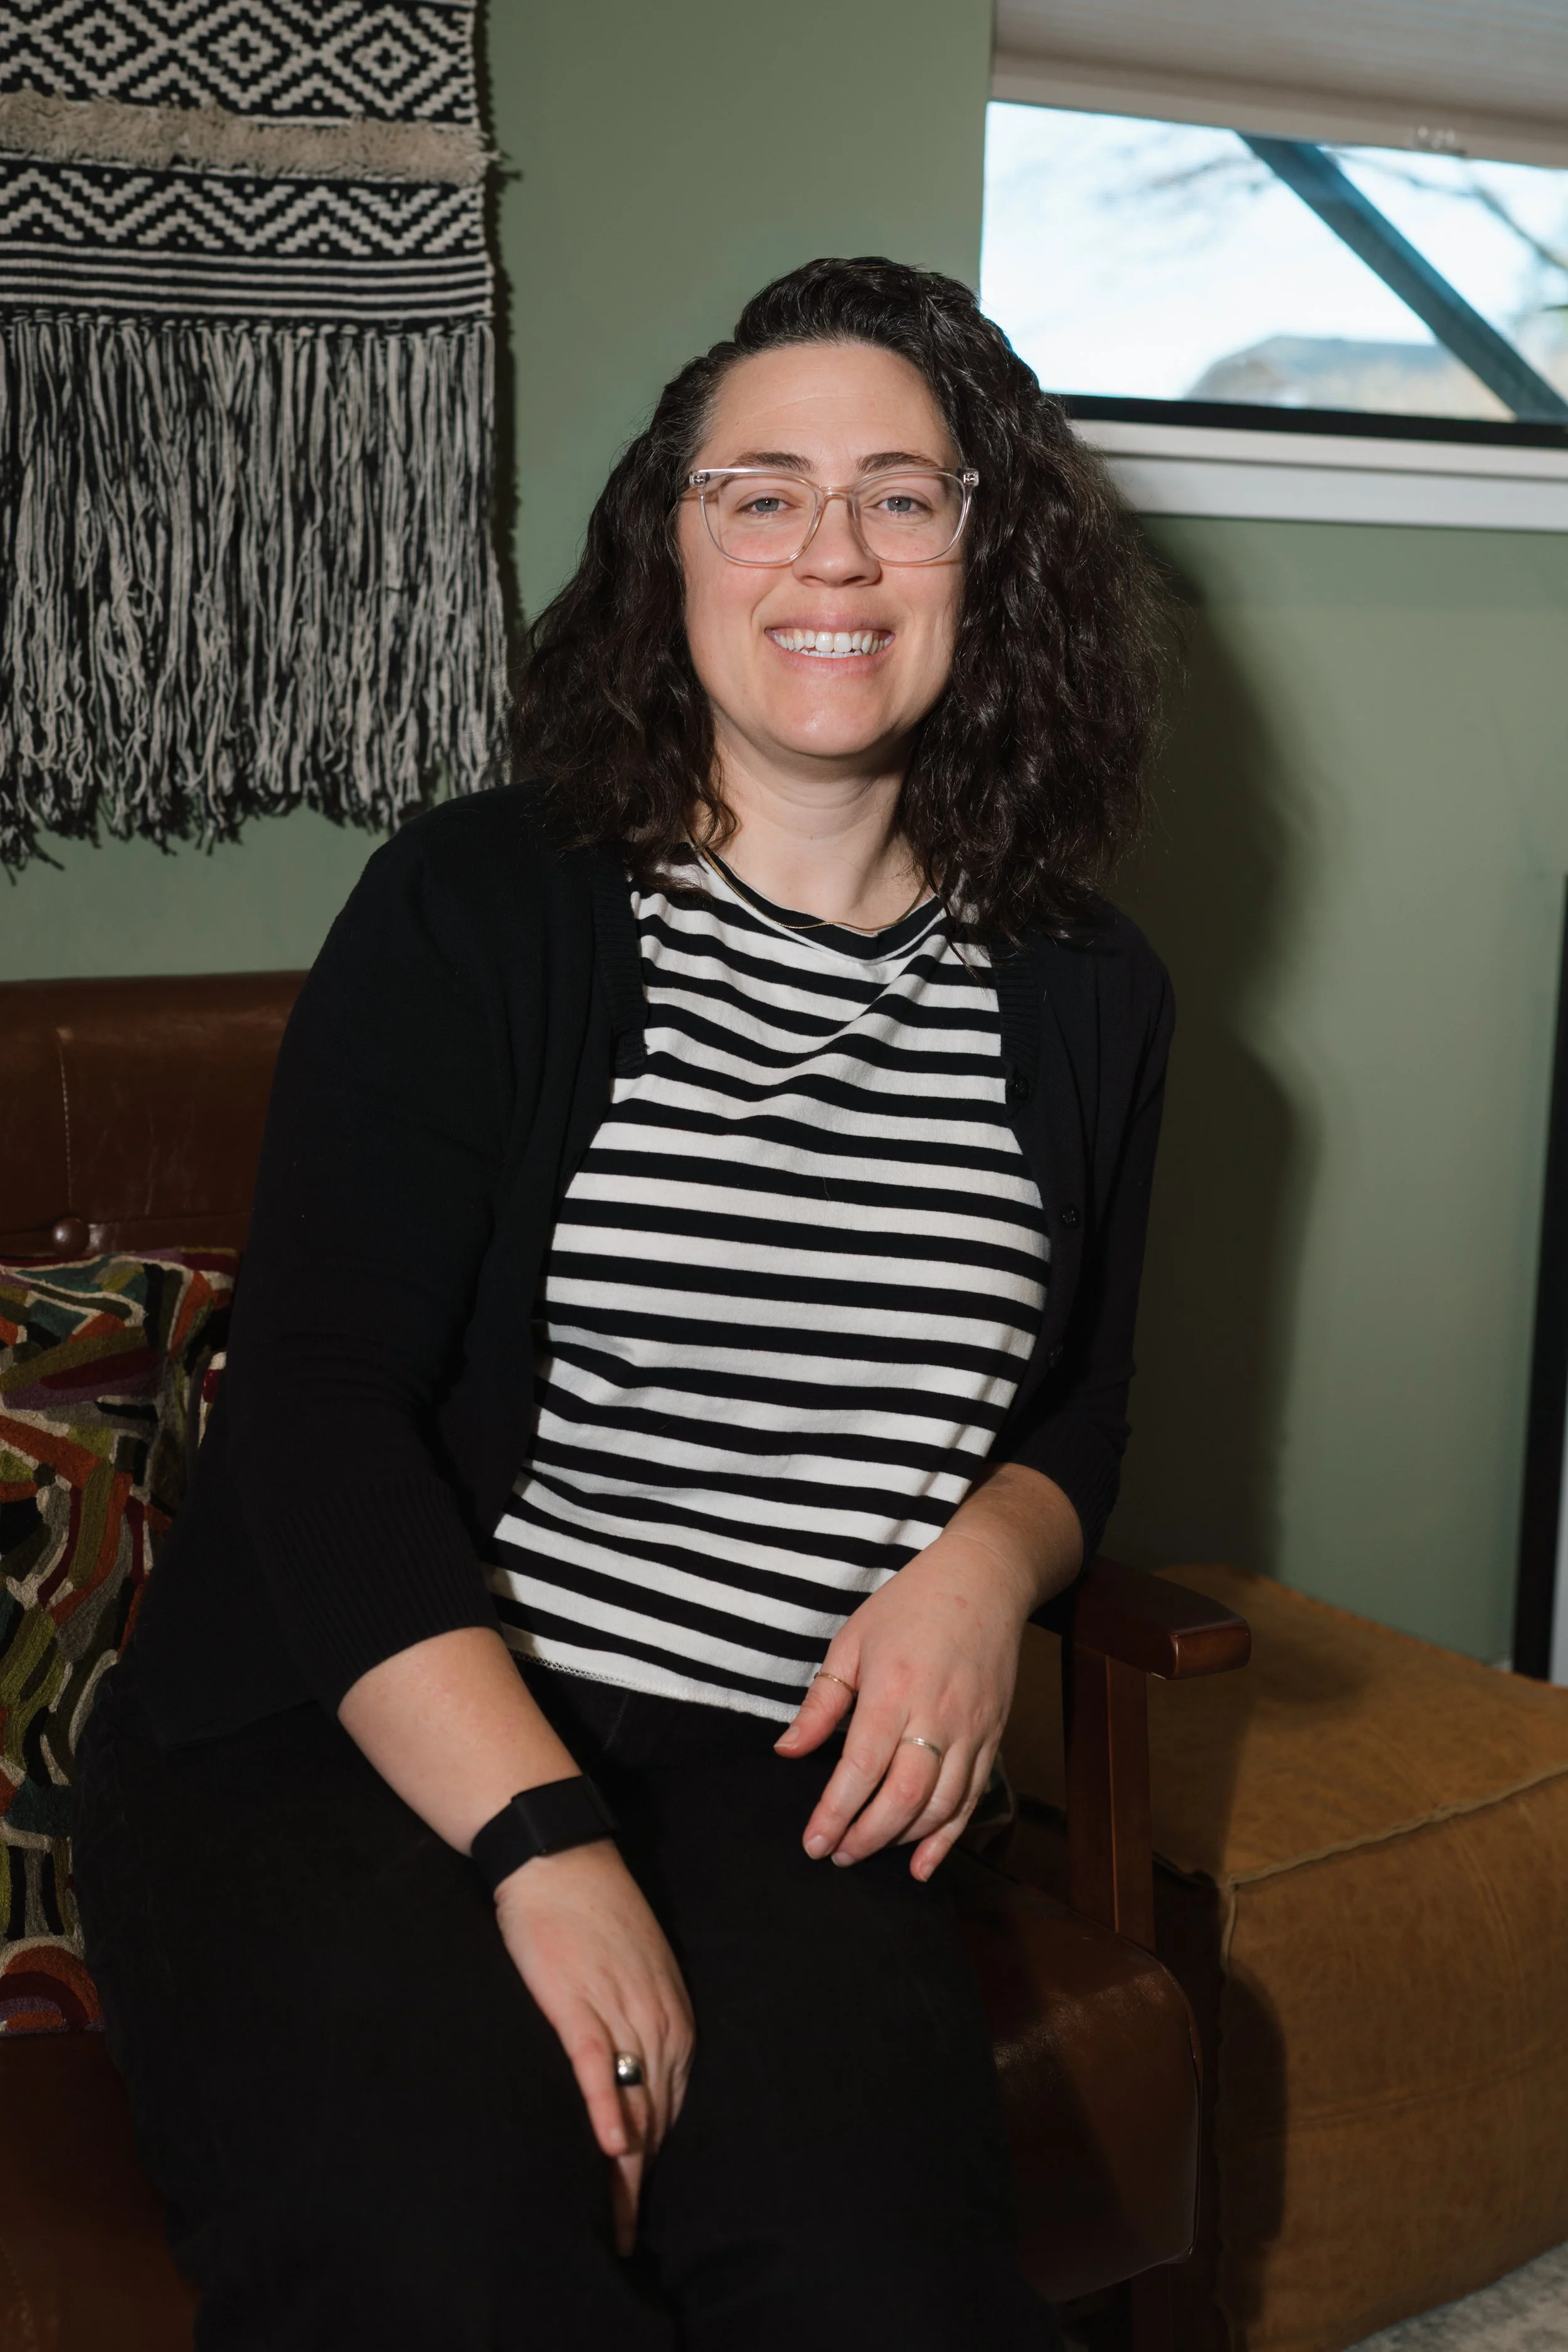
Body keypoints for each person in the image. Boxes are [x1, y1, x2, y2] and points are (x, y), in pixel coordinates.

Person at [73, 255, 1173, 2351]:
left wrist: (982, 1569)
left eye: (901, 495)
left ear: (987, 552)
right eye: (754, 492)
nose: (827, 551)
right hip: (354, 1741)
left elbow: (1081, 1414)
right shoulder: (485, 900)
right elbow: (311, 1401)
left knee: (890, 2294)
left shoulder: (1090, 991)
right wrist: (545, 1840)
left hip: (770, 1777)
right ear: (666, 550)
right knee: (449, 2268)